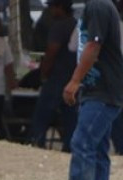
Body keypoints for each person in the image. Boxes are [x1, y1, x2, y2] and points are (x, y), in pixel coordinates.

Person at [56, 0, 123, 180]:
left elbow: (93, 46)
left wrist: (75, 80)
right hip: (100, 89)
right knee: (96, 148)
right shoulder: (97, 6)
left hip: (103, 90)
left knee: (82, 143)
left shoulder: (97, 6)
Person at [30, 0, 77, 151]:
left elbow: (51, 52)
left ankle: (37, 142)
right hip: (73, 78)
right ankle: (70, 147)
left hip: (57, 77)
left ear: (59, 7)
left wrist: (43, 74)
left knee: (42, 114)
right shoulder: (77, 24)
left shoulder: (59, 27)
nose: (49, 10)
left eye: (51, 6)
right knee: (71, 116)